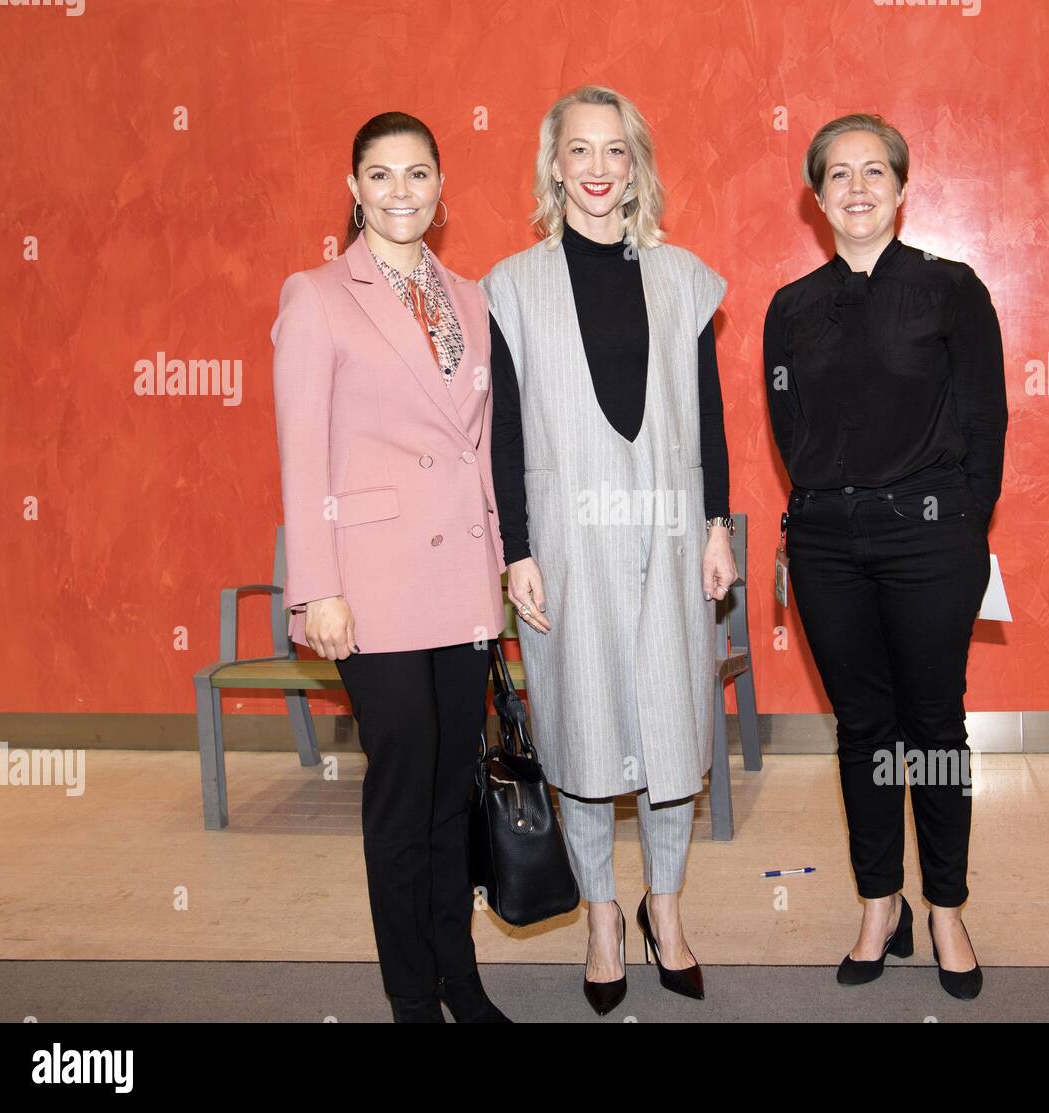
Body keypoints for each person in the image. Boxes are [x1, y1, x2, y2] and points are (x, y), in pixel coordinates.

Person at [482, 85, 736, 1016]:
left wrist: (717, 524)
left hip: (672, 537)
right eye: (579, 151)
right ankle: (602, 919)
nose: (597, 168)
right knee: (582, 733)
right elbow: (502, 432)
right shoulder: (509, 285)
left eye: (615, 151)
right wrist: (515, 550)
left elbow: (708, 411)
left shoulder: (683, 279)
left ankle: (664, 908)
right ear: (554, 165)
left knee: (675, 735)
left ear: (637, 167)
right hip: (566, 547)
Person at [271, 111, 510, 1023]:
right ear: (354, 188)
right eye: (381, 175)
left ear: (441, 189)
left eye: (418, 174)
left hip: (459, 587)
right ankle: (411, 993)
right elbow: (301, 453)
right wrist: (316, 587)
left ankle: (462, 977)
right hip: (369, 588)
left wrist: (500, 561)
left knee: (456, 789)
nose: (401, 191)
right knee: (403, 792)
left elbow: (479, 447)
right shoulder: (318, 294)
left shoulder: (472, 296)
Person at [764, 113, 1008, 1000]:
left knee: (936, 730)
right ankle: (880, 900)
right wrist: (834, 506)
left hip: (933, 538)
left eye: (875, 171)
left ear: (902, 189)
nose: (857, 187)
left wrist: (959, 528)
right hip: (828, 544)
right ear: (816, 194)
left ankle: (946, 905)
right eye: (838, 173)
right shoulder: (789, 310)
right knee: (863, 730)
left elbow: (986, 425)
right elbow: (792, 430)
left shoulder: (953, 290)